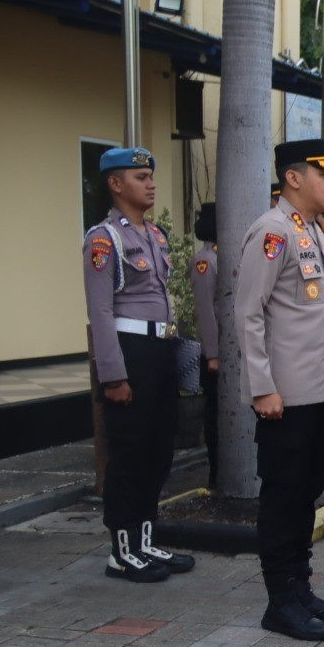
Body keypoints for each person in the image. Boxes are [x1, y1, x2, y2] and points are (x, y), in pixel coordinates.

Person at [236, 138, 324, 641]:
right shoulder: (272, 232)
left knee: (307, 495)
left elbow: (303, 296)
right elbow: (248, 312)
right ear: (293, 178)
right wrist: (262, 387)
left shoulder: (311, 232)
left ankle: (301, 589)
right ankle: (280, 601)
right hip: (286, 397)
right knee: (283, 498)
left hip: (320, 391)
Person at [81, 146, 196, 582]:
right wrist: (112, 375)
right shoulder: (103, 238)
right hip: (130, 355)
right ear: (115, 184)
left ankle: (147, 541)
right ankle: (122, 552)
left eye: (150, 176)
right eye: (139, 177)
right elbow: (102, 312)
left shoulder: (157, 235)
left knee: (158, 451)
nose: (150, 183)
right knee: (129, 454)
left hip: (161, 352)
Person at [190, 202, 221, 487]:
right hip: (216, 354)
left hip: (232, 351)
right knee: (215, 416)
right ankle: (216, 473)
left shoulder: (224, 257)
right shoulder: (205, 261)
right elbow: (205, 311)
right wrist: (213, 354)